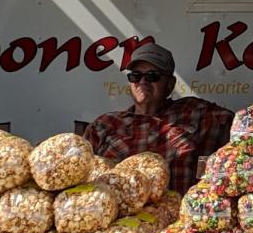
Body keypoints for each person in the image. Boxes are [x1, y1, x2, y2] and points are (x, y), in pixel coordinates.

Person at [82, 43, 233, 191]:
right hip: (117, 213)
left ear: (170, 84)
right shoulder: (106, 125)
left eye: (152, 76)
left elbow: (240, 127)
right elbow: (79, 173)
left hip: (176, 212)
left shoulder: (195, 112)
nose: (142, 82)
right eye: (135, 76)